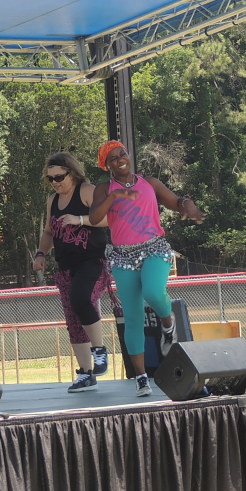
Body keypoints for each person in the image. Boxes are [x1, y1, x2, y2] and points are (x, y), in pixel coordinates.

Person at [89, 140, 205, 397]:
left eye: (123, 154)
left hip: (154, 248)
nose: (120, 159)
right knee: (132, 317)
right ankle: (141, 377)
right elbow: (95, 217)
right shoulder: (103, 188)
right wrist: (115, 195)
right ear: (107, 165)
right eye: (113, 158)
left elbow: (175, 202)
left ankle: (168, 323)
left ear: (129, 156)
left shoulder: (149, 183)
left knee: (153, 293)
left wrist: (188, 206)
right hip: (122, 257)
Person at [33, 152, 114, 394]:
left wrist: (80, 219)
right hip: (66, 265)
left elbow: (109, 218)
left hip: (93, 260)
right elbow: (49, 232)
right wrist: (40, 254)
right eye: (50, 179)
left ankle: (99, 350)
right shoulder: (52, 201)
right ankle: (86, 373)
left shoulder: (87, 191)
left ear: (72, 173)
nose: (55, 182)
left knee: (81, 299)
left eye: (59, 177)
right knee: (73, 319)